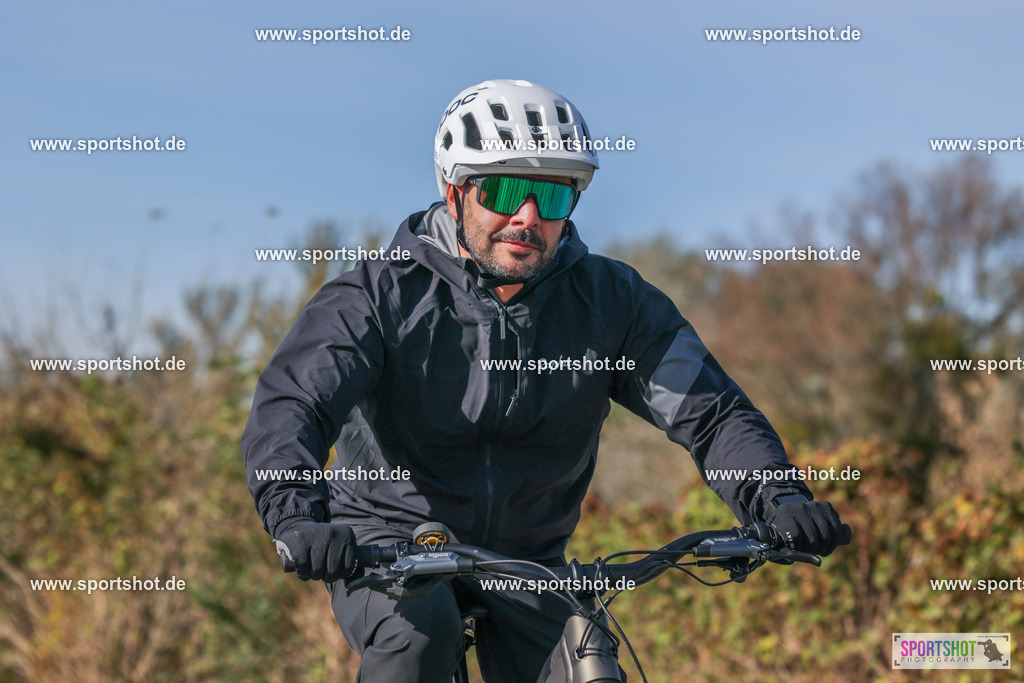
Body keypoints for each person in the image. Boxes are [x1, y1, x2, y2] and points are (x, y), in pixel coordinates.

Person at [241, 78, 847, 682]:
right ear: (455, 193)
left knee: (588, 662)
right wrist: (298, 514)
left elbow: (711, 415)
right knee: (418, 636)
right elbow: (294, 402)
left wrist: (779, 498)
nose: (527, 217)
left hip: (529, 562)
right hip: (391, 547)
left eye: (552, 198)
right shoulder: (378, 295)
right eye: (505, 189)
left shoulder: (614, 304)